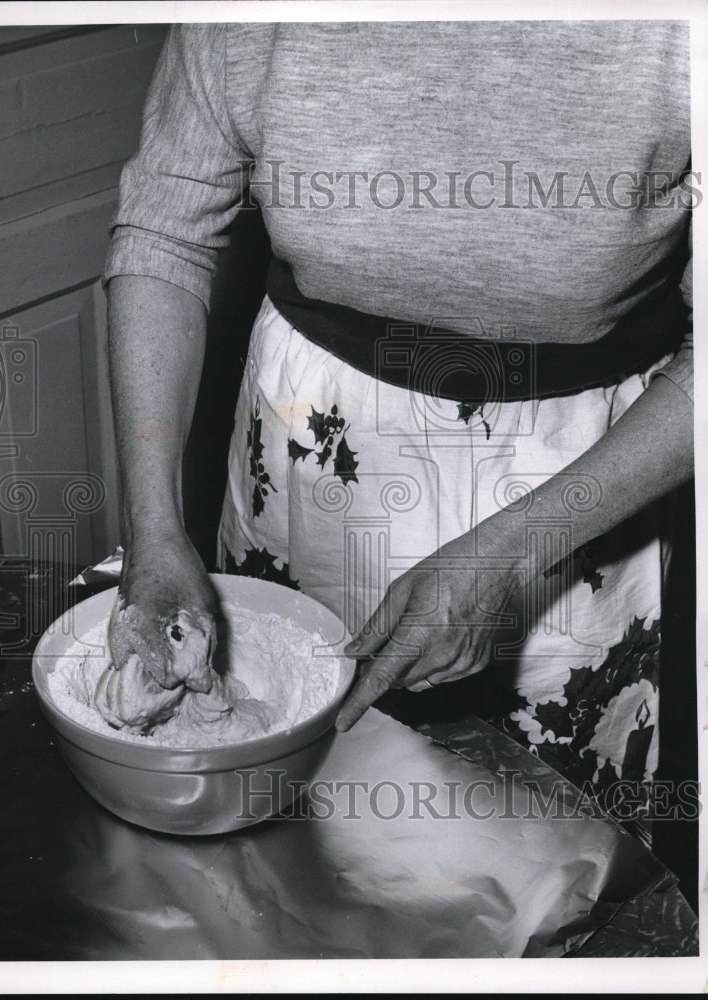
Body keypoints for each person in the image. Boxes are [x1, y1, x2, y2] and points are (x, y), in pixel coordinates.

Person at [100, 21, 694, 829]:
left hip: (576, 494)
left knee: (534, 856)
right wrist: (153, 532)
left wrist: (512, 551)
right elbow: (165, 233)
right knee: (295, 832)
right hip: (307, 456)